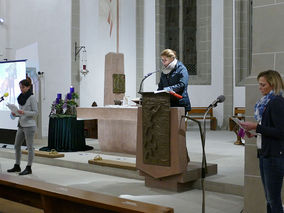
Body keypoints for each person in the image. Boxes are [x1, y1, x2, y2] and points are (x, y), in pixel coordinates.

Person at [241, 70, 284, 213]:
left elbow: (280, 132)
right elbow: (267, 129)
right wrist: (254, 133)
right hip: (265, 153)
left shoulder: (276, 102)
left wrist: (256, 127)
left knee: (273, 199)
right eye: (259, 84)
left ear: (272, 84)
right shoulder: (266, 102)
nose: (260, 88)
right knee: (269, 198)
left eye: (262, 85)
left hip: (274, 156)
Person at [7, 79, 38, 175]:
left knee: (30, 147)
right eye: (20, 87)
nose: (21, 89)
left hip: (29, 125)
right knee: (16, 145)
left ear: (28, 87)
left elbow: (35, 113)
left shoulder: (32, 97)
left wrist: (24, 112)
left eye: (23, 87)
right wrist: (15, 113)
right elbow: (20, 113)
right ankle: (17, 165)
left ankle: (29, 167)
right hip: (21, 124)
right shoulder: (21, 97)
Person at [158, 49, 191, 113]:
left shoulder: (181, 68)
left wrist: (169, 89)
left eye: (165, 60)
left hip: (179, 103)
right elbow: (161, 86)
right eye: (162, 60)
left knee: (177, 123)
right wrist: (158, 95)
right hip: (166, 103)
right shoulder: (164, 70)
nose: (163, 62)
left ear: (172, 58)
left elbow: (182, 84)